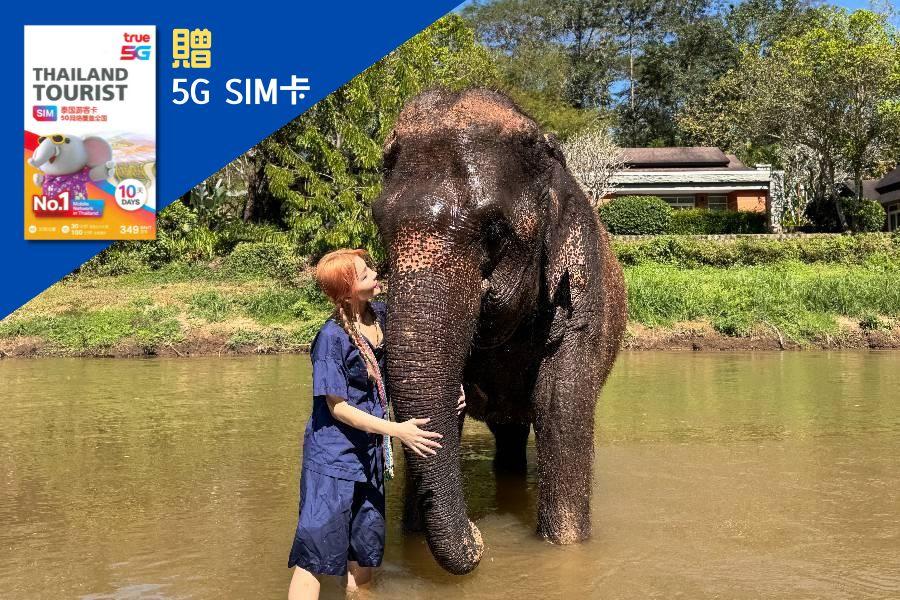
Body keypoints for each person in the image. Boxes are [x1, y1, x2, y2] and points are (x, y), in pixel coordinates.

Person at [287, 248, 465, 600]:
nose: (373, 272)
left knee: (364, 551)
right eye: (364, 272)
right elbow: (337, 408)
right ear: (347, 289)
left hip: (369, 456)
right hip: (332, 460)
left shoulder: (381, 317)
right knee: (315, 556)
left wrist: (449, 387)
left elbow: (421, 351)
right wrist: (398, 430)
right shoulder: (331, 339)